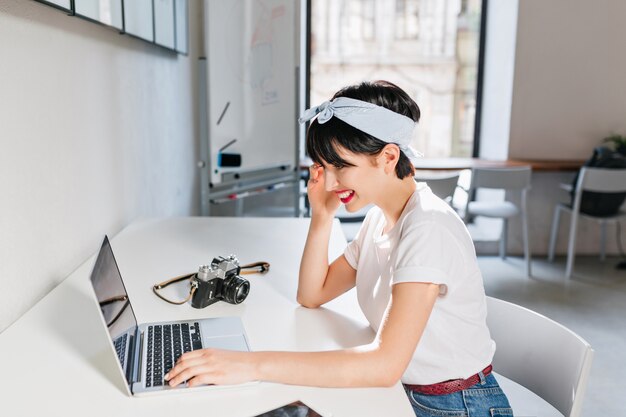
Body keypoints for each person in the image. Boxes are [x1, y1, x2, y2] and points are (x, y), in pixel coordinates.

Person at [165, 80, 513, 417]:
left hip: (453, 405)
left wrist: (250, 363)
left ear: (389, 157)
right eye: (324, 167)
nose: (330, 183)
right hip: (403, 393)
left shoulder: (428, 229)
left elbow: (383, 366)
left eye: (341, 166)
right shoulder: (380, 219)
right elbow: (313, 294)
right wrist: (322, 215)